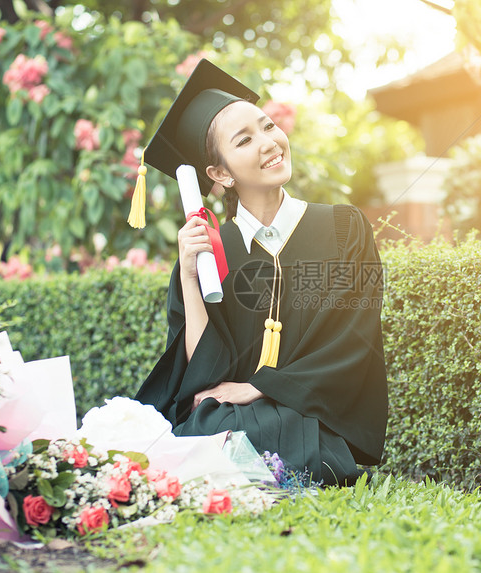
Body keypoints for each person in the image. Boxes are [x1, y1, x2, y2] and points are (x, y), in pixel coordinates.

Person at [133, 59, 388, 486]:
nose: (269, 143)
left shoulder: (344, 228)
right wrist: (192, 280)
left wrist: (261, 386)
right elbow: (205, 380)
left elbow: (354, 338)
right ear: (219, 174)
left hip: (313, 414)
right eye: (245, 139)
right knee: (209, 426)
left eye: (269, 126)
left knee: (260, 439)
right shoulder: (212, 251)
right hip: (231, 416)